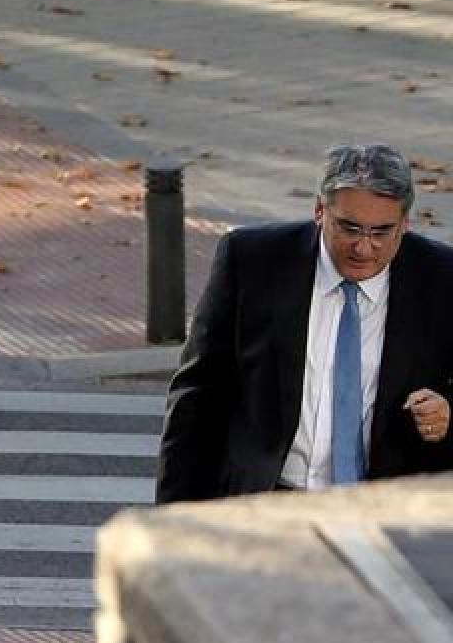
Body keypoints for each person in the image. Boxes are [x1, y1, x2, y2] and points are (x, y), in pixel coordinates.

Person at [157, 143, 453, 504]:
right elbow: (197, 395)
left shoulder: (441, 278)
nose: (363, 248)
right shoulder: (252, 261)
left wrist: (447, 412)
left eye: (381, 232)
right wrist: (171, 517)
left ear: (405, 224)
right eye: (349, 228)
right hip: (266, 503)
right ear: (319, 211)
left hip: (385, 509)